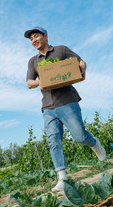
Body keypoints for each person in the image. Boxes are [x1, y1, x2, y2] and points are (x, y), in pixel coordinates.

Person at [24, 26, 106, 192]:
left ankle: (94, 143)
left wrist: (82, 68)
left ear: (45, 36)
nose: (34, 40)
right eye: (31, 38)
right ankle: (62, 178)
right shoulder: (33, 61)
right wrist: (40, 81)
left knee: (80, 137)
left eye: (36, 36)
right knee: (53, 140)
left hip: (67, 100)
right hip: (48, 106)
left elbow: (81, 62)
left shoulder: (61, 50)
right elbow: (29, 83)